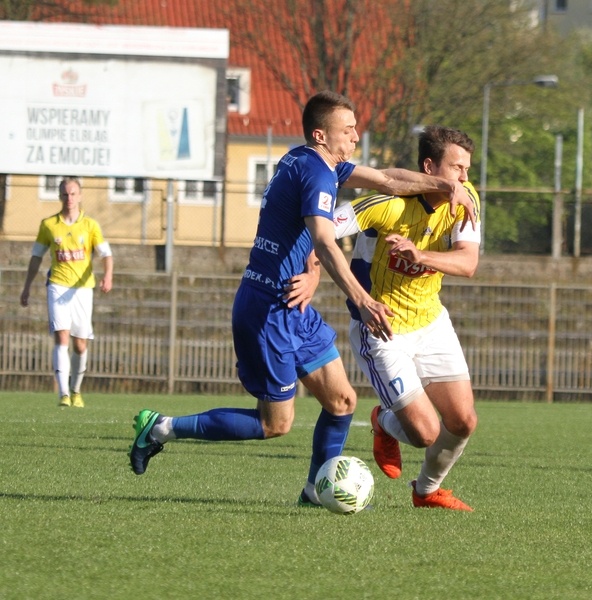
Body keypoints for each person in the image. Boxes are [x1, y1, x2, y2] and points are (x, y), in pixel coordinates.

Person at [128, 91, 474, 510]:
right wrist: (361, 299)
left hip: (295, 304)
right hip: (268, 307)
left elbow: (388, 179)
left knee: (343, 401)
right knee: (275, 424)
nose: (355, 135)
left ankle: (314, 492)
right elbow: (326, 242)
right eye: (347, 130)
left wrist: (444, 183)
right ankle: (161, 428)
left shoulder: (313, 161)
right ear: (320, 135)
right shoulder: (315, 173)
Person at [330, 125, 480, 511]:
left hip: (431, 321)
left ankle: (427, 491)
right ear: (429, 167)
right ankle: (383, 422)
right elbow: (323, 228)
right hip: (382, 326)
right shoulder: (386, 203)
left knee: (463, 421)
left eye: (467, 169)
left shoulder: (465, 200)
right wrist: (311, 265)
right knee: (426, 432)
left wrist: (421, 255)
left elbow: (468, 262)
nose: (464, 178)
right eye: (456, 168)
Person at [20, 177, 114, 408]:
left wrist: (108, 275)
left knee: (80, 344)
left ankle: (75, 390)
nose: (69, 198)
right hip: (58, 285)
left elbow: (106, 254)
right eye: (64, 194)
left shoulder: (90, 225)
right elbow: (36, 257)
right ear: (59, 196)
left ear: (80, 196)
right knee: (61, 336)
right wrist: (27, 286)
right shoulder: (49, 225)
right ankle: (63, 394)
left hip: (83, 289)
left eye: (73, 194)